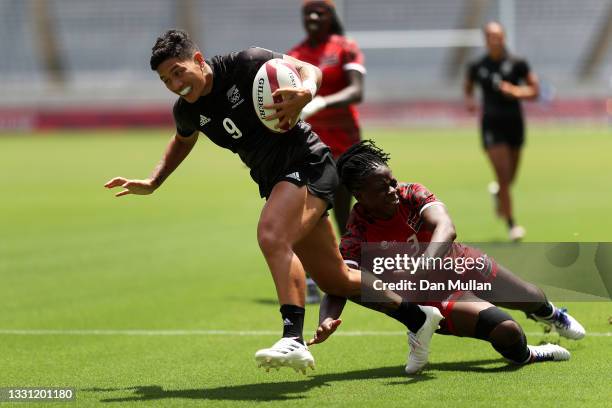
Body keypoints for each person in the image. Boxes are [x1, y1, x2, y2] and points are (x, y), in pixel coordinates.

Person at [104, 29, 442, 374]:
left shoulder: (247, 63)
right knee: (335, 279)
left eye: (178, 72)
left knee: (272, 235)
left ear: (198, 60)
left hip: (308, 164)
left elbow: (313, 71)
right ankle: (419, 318)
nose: (176, 84)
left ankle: (292, 337)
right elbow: (182, 140)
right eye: (166, 80)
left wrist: (306, 92)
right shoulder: (188, 111)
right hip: (275, 181)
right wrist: (154, 180)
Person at [306, 141, 585, 374]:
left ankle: (551, 315)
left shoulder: (411, 193)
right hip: (435, 299)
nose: (393, 189)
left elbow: (446, 227)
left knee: (530, 295)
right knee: (508, 332)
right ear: (359, 195)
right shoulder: (358, 232)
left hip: (463, 263)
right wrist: (327, 318)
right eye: (382, 188)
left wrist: (424, 263)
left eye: (391, 181)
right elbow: (341, 282)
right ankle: (530, 354)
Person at [288, 0, 366, 303]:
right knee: (310, 211)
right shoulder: (294, 55)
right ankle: (309, 278)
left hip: (346, 145)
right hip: (311, 147)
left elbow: (357, 90)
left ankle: (349, 271)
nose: (313, 16)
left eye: (320, 11)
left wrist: (322, 102)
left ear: (330, 15)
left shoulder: (344, 47)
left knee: (344, 213)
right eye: (308, 12)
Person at [464, 22, 540, 242]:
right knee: (504, 177)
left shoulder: (518, 63)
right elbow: (468, 86)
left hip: (515, 124)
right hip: (491, 126)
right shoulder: (477, 66)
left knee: (510, 177)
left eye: (497, 36)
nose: (494, 40)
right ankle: (512, 225)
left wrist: (515, 91)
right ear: (485, 40)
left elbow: (535, 90)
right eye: (490, 37)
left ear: (504, 37)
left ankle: (498, 193)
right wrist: (470, 100)